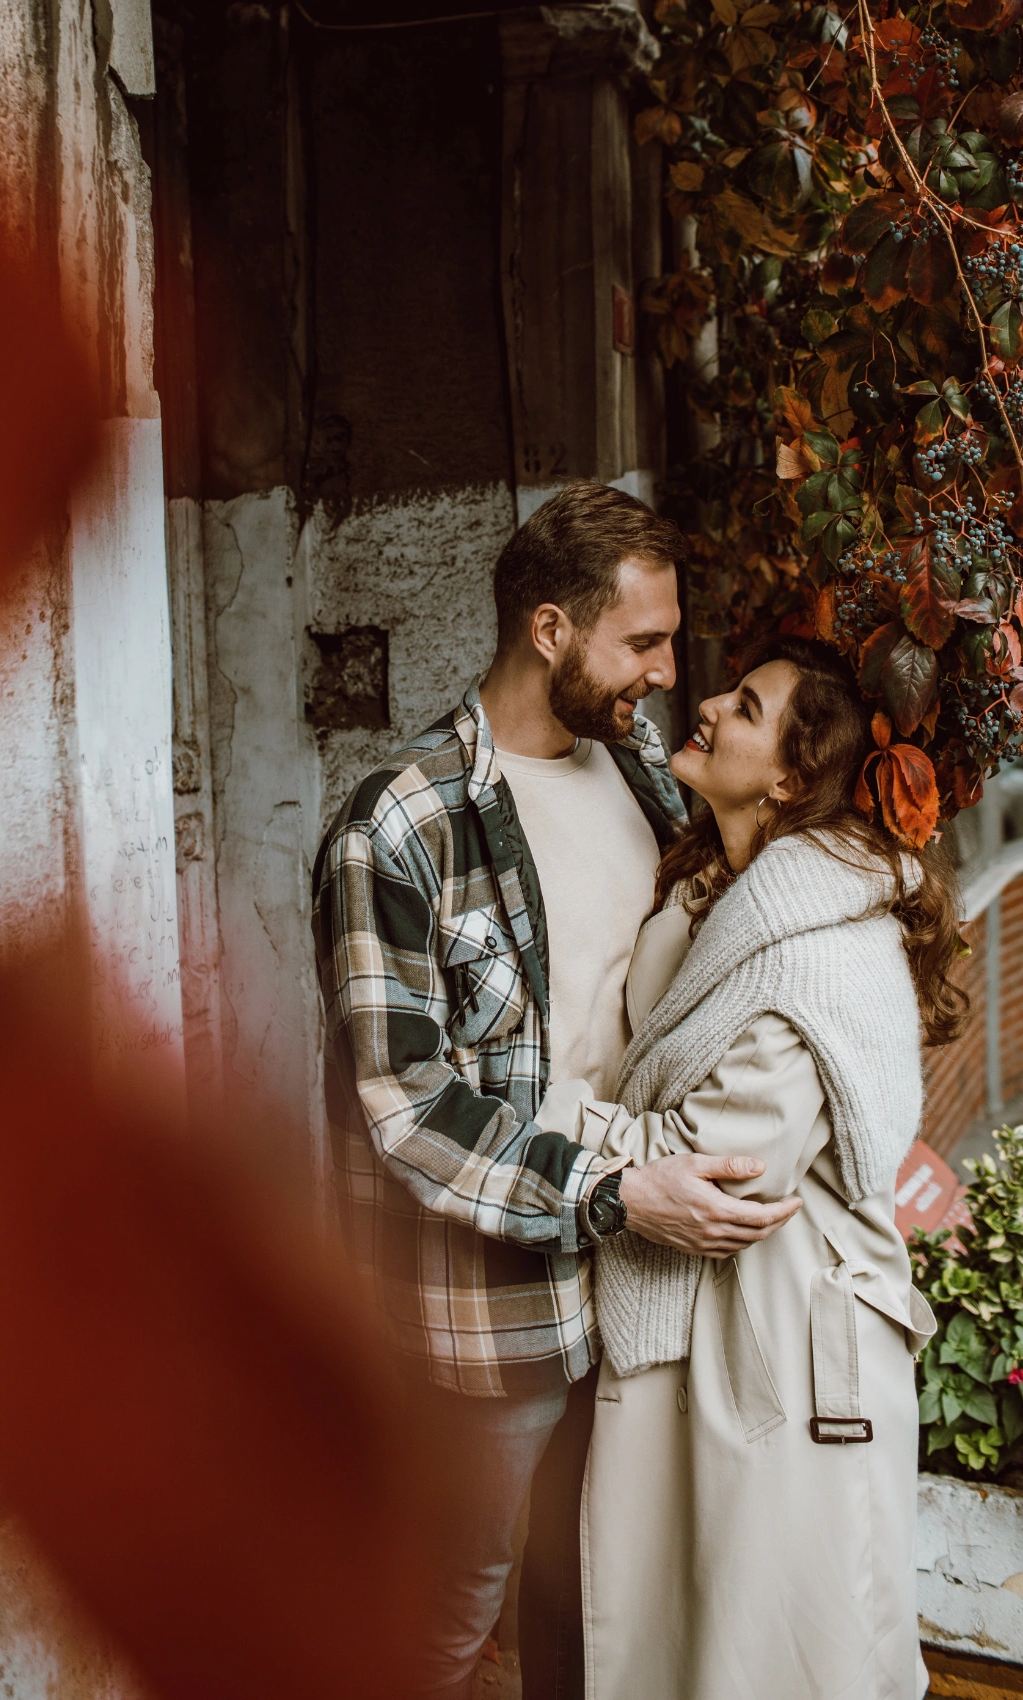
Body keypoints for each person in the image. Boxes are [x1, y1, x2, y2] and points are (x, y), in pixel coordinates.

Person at [311, 483, 801, 1700]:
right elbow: (405, 1105)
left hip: (634, 1289)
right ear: (549, 630)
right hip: (488, 1311)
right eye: (642, 641)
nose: (667, 672)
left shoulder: (642, 772)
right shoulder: (400, 824)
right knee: (445, 1612)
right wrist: (617, 1189)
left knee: (588, 1602)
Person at [536, 635, 961, 1700]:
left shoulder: (821, 951)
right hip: (714, 1310)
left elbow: (722, 1163)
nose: (710, 704)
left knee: (774, 1657)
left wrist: (544, 1117)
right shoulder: (709, 899)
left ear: (785, 778)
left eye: (747, 705)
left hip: (786, 1336)